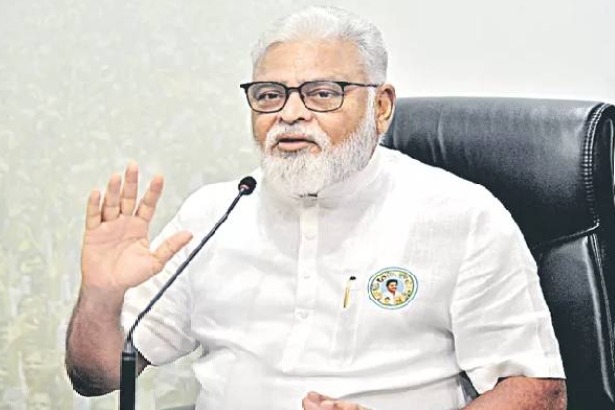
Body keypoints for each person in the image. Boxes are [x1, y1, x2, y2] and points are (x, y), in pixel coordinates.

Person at [65, 6, 567, 410]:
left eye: (323, 93)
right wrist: (100, 297)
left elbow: (537, 392)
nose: (290, 113)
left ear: (381, 106)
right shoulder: (214, 213)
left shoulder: (463, 215)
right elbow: (97, 376)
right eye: (269, 95)